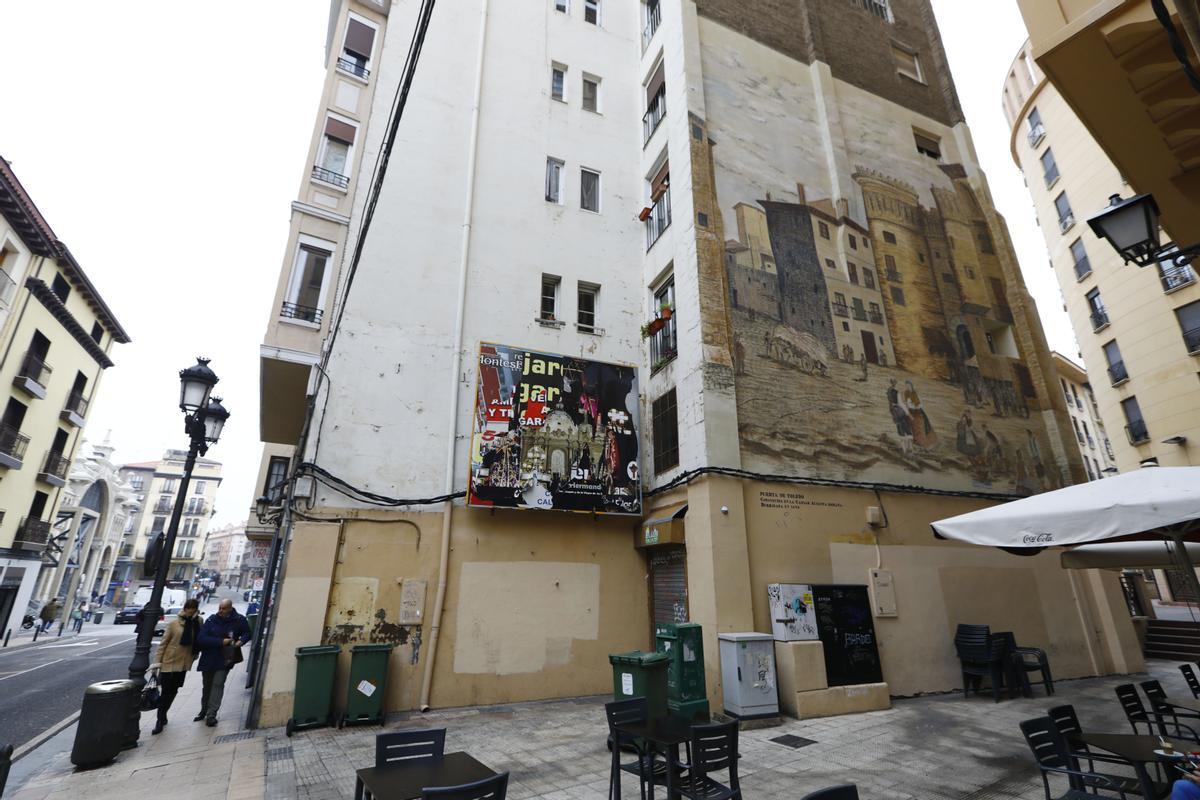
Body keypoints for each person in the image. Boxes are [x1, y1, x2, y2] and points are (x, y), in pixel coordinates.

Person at [195, 598, 250, 727]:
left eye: (224, 608)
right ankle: (204, 710)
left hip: (226, 658)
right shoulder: (211, 620)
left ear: (230, 608)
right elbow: (201, 638)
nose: (220, 611)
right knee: (207, 685)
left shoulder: (239, 620)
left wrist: (241, 641)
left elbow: (247, 633)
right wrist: (220, 642)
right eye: (220, 608)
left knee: (218, 683)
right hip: (209, 658)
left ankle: (211, 714)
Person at [149, 598, 201, 734]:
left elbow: (198, 640)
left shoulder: (198, 622)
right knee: (166, 691)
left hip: (183, 664)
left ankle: (164, 713)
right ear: (184, 608)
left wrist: (195, 655)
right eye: (188, 608)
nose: (190, 610)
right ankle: (159, 720)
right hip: (169, 662)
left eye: (193, 608)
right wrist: (157, 662)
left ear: (196, 609)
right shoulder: (174, 624)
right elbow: (163, 644)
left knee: (174, 691)